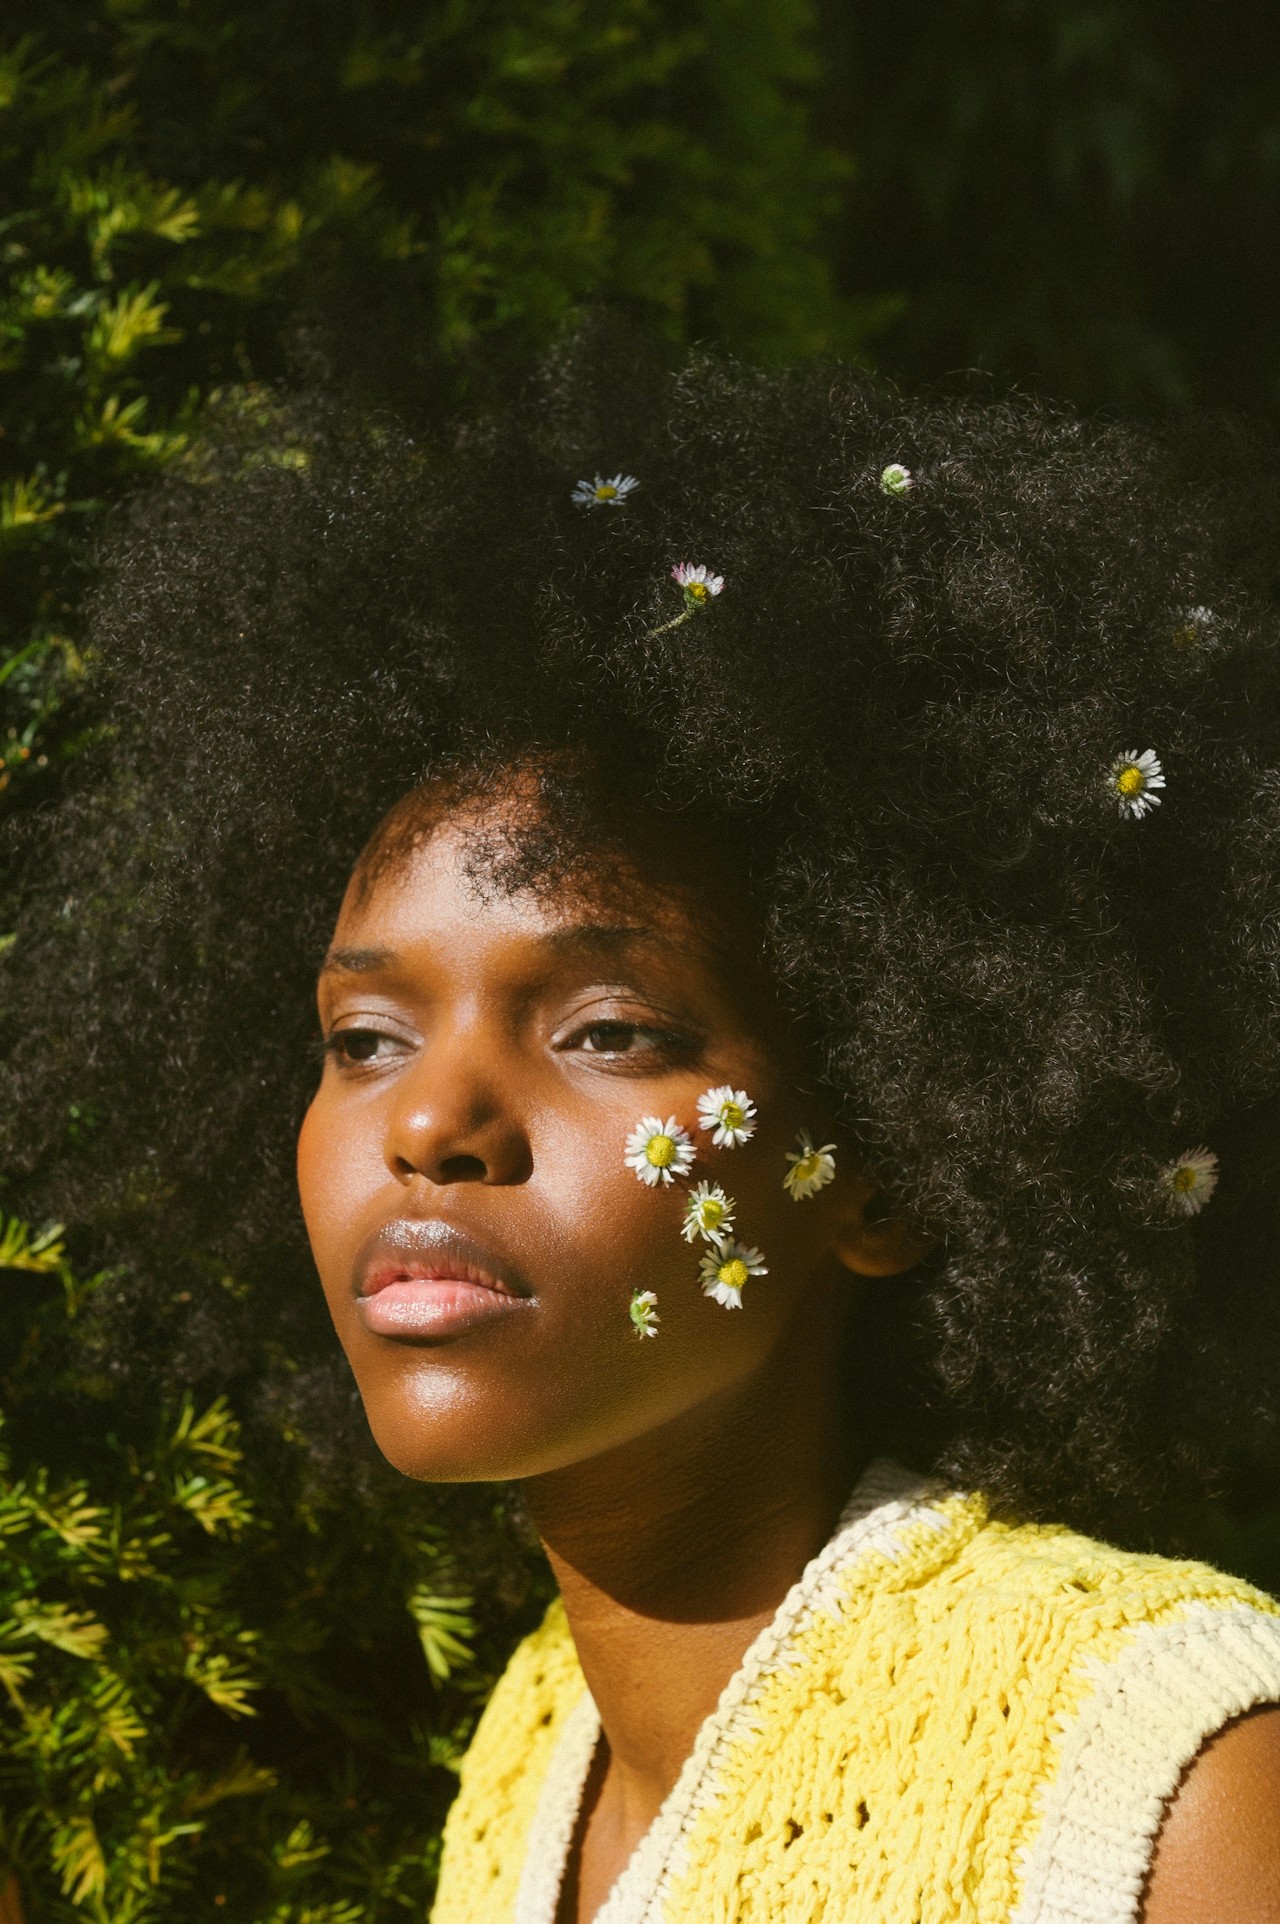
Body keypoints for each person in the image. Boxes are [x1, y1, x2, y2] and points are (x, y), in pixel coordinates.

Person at [8, 330, 1280, 1921]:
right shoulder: (529, 1762)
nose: (435, 1121)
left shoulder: (1173, 1774)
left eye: (608, 1032)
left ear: (879, 1168)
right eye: (363, 1037)